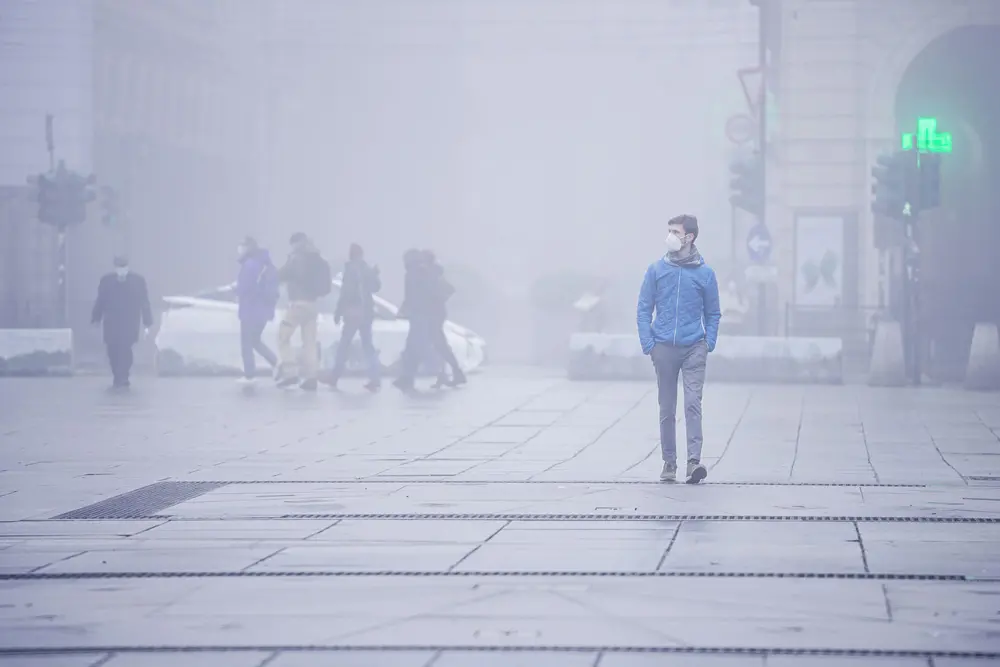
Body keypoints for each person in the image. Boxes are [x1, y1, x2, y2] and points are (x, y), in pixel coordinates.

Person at [636, 214, 721, 484]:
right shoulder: (656, 270)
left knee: (693, 404)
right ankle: (669, 463)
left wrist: (709, 342)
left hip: (694, 347)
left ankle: (694, 462)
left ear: (690, 237)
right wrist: (649, 344)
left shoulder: (705, 275)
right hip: (663, 348)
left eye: (676, 231)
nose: (670, 235)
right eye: (669, 230)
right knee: (667, 408)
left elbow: (714, 313)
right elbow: (643, 308)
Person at [275, 232, 331, 392]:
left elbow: (283, 274)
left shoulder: (297, 257)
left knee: (282, 337)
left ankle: (290, 372)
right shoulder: (317, 258)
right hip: (312, 305)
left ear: (297, 243)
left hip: (297, 304)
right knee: (310, 342)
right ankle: (311, 377)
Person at [91, 255, 153, 389]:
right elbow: (100, 300)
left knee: (125, 348)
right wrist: (96, 317)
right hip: (111, 322)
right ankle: (117, 374)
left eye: (123, 267)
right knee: (112, 349)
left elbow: (144, 302)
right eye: (119, 267)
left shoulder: (137, 281)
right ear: (115, 268)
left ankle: (123, 375)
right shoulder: (106, 281)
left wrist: (147, 321)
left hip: (129, 322)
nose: (121, 270)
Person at [330, 243, 382, 391]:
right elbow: (377, 287)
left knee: (344, 344)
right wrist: (375, 274)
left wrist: (338, 311)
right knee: (368, 345)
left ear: (351, 254)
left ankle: (334, 376)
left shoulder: (350, 269)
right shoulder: (367, 269)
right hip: (367, 312)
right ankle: (375, 377)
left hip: (353, 312)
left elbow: (346, 293)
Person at [235, 237, 279, 384]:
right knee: (255, 341)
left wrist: (235, 291)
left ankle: (249, 375)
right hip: (264, 310)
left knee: (246, 343)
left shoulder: (250, 265)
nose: (239, 248)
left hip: (250, 309)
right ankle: (277, 364)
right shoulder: (266, 264)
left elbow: (245, 288)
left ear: (248, 247)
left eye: (241, 245)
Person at [421, 250, 466, 388]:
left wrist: (438, 299)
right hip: (436, 312)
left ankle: (456, 373)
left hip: (434, 313)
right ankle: (445, 374)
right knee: (439, 345)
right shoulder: (434, 272)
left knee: (440, 345)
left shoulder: (432, 273)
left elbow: (448, 289)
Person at [393, 249, 431, 391]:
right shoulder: (420, 271)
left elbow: (412, 295)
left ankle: (408, 377)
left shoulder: (414, 273)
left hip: (419, 315)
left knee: (414, 347)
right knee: (413, 347)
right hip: (420, 314)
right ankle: (407, 377)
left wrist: (405, 308)